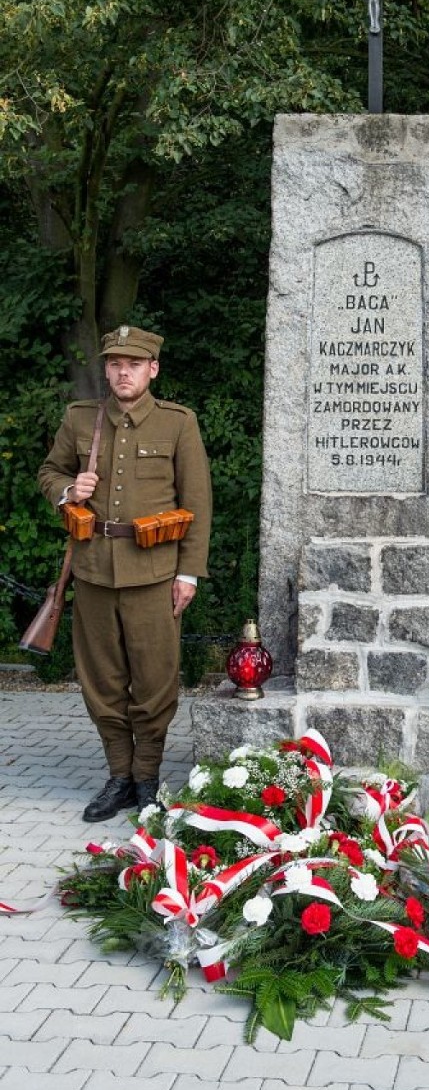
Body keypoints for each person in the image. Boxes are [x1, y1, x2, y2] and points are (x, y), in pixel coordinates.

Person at [38, 325, 212, 821]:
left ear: (152, 369)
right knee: (102, 682)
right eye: (114, 364)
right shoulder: (80, 419)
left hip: (155, 574)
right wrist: (71, 489)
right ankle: (118, 776)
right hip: (93, 572)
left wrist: (189, 574)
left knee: (155, 682)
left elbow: (196, 502)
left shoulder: (177, 423)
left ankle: (148, 779)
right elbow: (48, 473)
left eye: (133, 364)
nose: (122, 372)